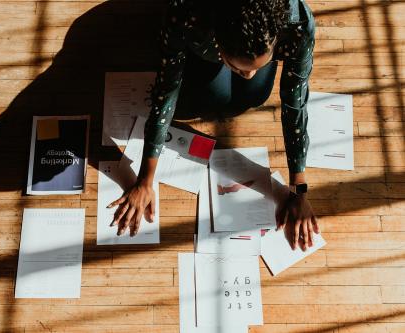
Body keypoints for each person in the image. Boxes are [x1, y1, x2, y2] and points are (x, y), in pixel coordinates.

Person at [108, 0, 320, 251]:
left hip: (238, 39)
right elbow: (166, 94)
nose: (249, 73)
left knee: (255, 94)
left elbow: (295, 106)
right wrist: (144, 180)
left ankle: (247, 62)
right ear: (218, 44)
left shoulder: (299, 25)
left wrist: (299, 191)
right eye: (239, 68)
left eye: (257, 66)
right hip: (202, 32)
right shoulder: (186, 14)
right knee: (203, 101)